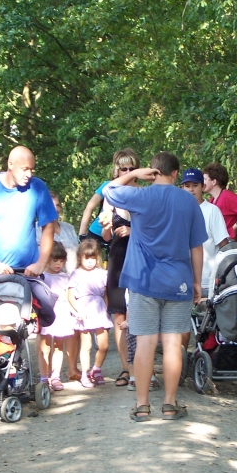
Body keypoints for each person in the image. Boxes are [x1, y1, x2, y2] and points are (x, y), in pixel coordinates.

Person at [103, 152, 207, 421]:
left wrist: (134, 174)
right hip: (178, 282)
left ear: (152, 171)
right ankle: (170, 405)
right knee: (172, 344)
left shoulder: (140, 196)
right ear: (175, 173)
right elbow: (196, 246)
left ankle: (142, 406)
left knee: (145, 343)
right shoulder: (188, 200)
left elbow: (109, 190)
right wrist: (197, 282)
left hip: (143, 280)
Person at [0, 145, 57, 350]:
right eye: (24, 169)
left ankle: (15, 362)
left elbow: (49, 226)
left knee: (19, 327)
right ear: (10, 164)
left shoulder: (38, 188)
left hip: (25, 271)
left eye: (32, 169)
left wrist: (41, 263)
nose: (29, 174)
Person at [99, 149, 141, 388]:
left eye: (131, 168)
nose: (127, 172)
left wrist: (133, 230)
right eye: (123, 168)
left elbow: (154, 229)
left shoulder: (143, 194)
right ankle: (126, 367)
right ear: (116, 170)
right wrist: (106, 226)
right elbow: (106, 236)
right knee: (119, 313)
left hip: (139, 258)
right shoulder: (110, 196)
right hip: (117, 257)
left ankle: (140, 366)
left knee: (139, 310)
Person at [179, 167, 229, 351]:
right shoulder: (177, 210)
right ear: (182, 188)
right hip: (181, 278)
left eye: (195, 185)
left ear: (202, 186)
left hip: (208, 280)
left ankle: (207, 357)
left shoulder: (212, 211)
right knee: (181, 325)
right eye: (187, 186)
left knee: (208, 328)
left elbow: (223, 245)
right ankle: (181, 361)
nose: (191, 189)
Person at [67, 239, 113, 388]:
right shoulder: (76, 274)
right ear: (80, 257)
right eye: (86, 258)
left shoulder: (102, 273)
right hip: (83, 311)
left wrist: (106, 310)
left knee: (104, 345)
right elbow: (70, 296)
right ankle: (85, 374)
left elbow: (105, 294)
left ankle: (96, 369)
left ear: (97, 257)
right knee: (86, 345)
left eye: (92, 258)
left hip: (99, 311)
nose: (89, 261)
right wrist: (78, 310)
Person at [37, 242, 78, 391]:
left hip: (62, 313)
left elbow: (69, 296)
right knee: (45, 347)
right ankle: (44, 377)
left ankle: (56, 376)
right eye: (55, 260)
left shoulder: (66, 277)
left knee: (59, 346)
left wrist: (75, 312)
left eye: (61, 261)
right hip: (47, 313)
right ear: (47, 259)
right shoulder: (41, 276)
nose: (58, 264)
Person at [202, 162, 237, 241]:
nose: (202, 182)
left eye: (205, 179)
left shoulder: (226, 196)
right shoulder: (211, 201)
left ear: (214, 182)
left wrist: (235, 226)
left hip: (227, 244)